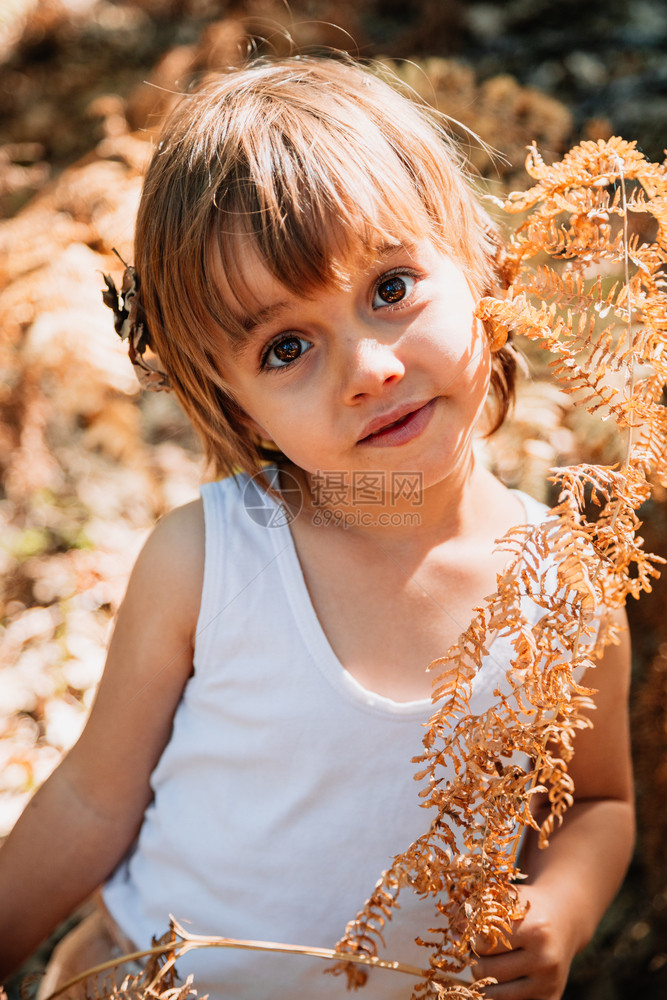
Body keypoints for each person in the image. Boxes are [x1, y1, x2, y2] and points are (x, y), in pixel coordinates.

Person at [0, 55, 633, 1000]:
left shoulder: (561, 587)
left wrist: (566, 909)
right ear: (240, 408)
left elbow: (597, 799)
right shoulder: (209, 560)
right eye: (285, 347)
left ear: (484, 273)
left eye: (390, 288)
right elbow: (94, 797)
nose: (369, 368)